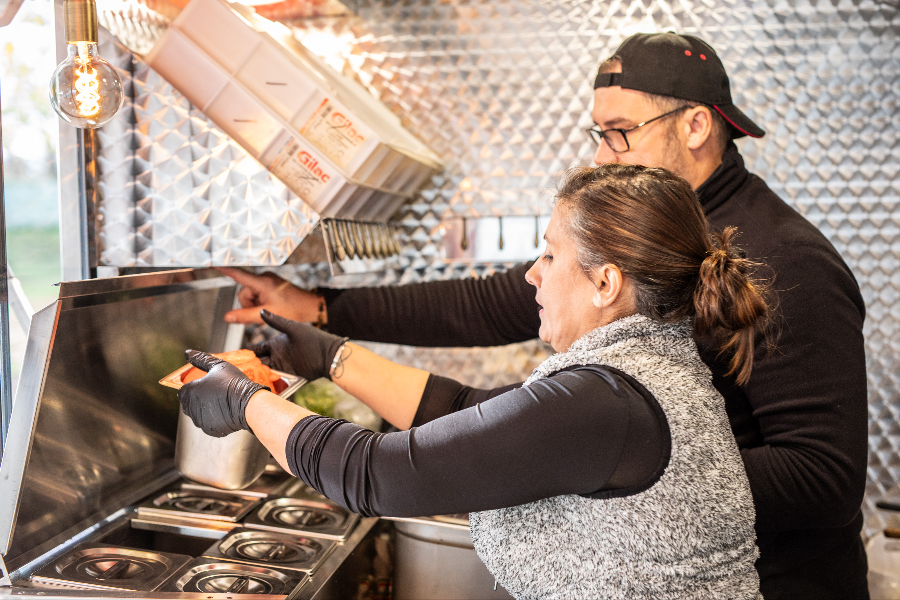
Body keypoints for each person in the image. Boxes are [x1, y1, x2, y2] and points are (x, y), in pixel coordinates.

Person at [219, 33, 869, 600]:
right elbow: (486, 313)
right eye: (600, 135)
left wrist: (627, 473)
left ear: (696, 125)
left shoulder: (785, 259)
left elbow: (824, 478)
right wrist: (321, 313)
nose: (604, 153)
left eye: (620, 132)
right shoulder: (623, 325)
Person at [182, 163, 767, 600]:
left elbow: (379, 474)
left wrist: (246, 401)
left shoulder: (605, 400)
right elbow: (461, 409)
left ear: (606, 283)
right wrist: (333, 358)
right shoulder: (650, 372)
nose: (533, 277)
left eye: (549, 256)